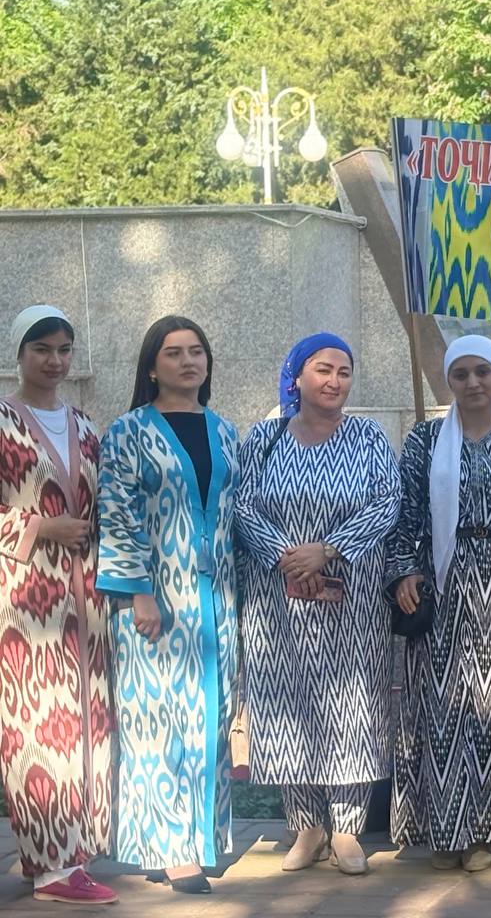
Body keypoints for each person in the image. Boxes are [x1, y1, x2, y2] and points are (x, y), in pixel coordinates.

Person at [235, 334, 401, 876]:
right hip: (279, 599)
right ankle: (305, 825)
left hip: (351, 598)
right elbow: (242, 505)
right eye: (323, 369)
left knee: (352, 704)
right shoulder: (264, 438)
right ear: (298, 376)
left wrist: (327, 550)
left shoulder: (368, 438)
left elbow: (387, 503)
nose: (334, 381)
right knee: (289, 701)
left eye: (344, 372)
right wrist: (288, 558)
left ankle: (348, 829)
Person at [97, 315, 240, 894]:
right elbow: (117, 513)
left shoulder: (225, 431)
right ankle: (172, 848)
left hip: (216, 600)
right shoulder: (128, 432)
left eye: (196, 351)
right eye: (174, 352)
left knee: (210, 720)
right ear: (152, 366)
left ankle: (198, 840)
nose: (188, 361)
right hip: (154, 599)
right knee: (157, 723)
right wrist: (138, 592)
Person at [386, 334, 491, 872]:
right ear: (449, 380)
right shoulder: (426, 440)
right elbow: (404, 512)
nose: (473, 383)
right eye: (461, 374)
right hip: (441, 581)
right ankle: (443, 828)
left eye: (482, 372)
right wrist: (404, 570)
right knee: (442, 705)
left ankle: (483, 833)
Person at [0, 306, 117, 905]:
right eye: (41, 349)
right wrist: (40, 527)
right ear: (19, 354)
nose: (54, 360)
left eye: (64, 350)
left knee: (87, 723)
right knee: (39, 728)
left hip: (87, 602)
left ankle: (63, 853)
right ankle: (54, 869)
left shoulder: (85, 426)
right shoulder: (2, 421)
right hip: (27, 603)